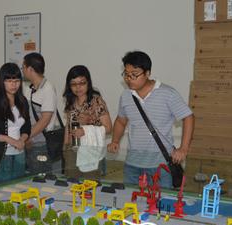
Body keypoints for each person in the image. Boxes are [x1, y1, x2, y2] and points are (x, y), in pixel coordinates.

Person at [107, 51, 194, 187]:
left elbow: (188, 117)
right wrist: (115, 141)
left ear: (147, 73)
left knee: (160, 199)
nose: (129, 78)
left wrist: (183, 148)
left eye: (134, 74)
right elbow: (121, 120)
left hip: (160, 165)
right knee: (130, 198)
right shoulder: (126, 96)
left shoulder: (167, 93)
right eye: (126, 74)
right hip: (132, 163)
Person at [62, 65, 112, 178]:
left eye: (82, 83)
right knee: (71, 183)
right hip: (72, 149)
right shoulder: (71, 101)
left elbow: (108, 128)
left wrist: (85, 130)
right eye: (73, 84)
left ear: (88, 82)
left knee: (89, 184)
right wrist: (65, 147)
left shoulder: (96, 101)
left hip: (90, 150)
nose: (78, 87)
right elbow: (68, 126)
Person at [22, 52, 62, 174]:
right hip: (31, 142)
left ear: (30, 69)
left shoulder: (47, 88)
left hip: (42, 144)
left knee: (42, 178)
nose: (22, 70)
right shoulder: (31, 88)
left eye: (23, 67)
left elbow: (45, 120)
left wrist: (26, 137)